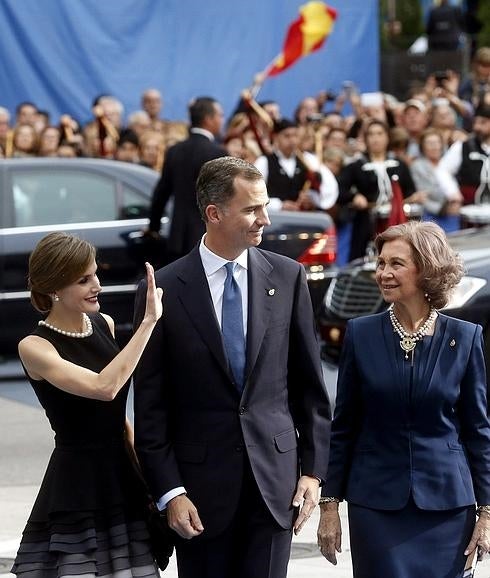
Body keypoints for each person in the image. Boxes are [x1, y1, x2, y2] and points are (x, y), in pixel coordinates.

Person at [133, 156, 331, 578]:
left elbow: (309, 389)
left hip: (275, 490)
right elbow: (151, 406)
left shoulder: (288, 277)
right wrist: (170, 493)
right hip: (198, 499)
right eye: (252, 209)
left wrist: (312, 473)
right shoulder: (163, 288)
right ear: (214, 213)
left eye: (265, 206)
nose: (265, 219)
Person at [317, 220, 490, 577]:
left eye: (396, 264)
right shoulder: (360, 334)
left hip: (447, 507)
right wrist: (329, 505)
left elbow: (478, 431)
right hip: (376, 506)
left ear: (426, 270)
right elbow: (344, 426)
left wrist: (487, 512)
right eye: (381, 263)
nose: (383, 273)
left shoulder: (466, 337)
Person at [11, 232, 164, 578]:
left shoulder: (103, 324)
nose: (97, 285)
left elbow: (119, 419)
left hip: (121, 476)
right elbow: (105, 387)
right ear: (54, 289)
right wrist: (148, 323)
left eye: (95, 274)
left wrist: (150, 478)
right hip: (76, 484)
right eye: (83, 280)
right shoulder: (35, 347)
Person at [146, 96, 227, 260]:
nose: (222, 120)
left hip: (178, 236)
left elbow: (161, 193)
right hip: (209, 237)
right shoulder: (217, 153)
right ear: (208, 119)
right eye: (220, 115)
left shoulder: (175, 151)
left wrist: (153, 227)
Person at [254, 118, 338, 212]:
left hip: (301, 218)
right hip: (273, 218)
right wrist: (279, 205)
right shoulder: (264, 161)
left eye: (295, 136)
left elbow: (327, 188)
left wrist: (311, 200)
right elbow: (253, 194)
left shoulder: (308, 161)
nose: (292, 140)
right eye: (287, 136)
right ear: (276, 137)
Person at [440, 102, 490, 204]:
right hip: (470, 206)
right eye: (475, 122)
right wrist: (453, 192)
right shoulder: (462, 146)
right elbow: (443, 170)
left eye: (483, 122)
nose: (477, 127)